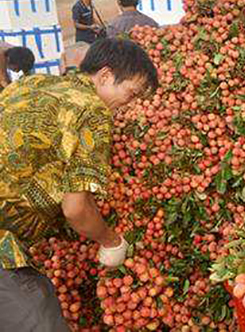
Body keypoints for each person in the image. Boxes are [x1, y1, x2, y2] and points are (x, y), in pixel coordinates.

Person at [0, 38, 158, 330]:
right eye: (131, 94)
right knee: (39, 318)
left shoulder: (31, 83)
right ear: (106, 76)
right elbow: (75, 209)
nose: (129, 105)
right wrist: (110, 241)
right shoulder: (92, 111)